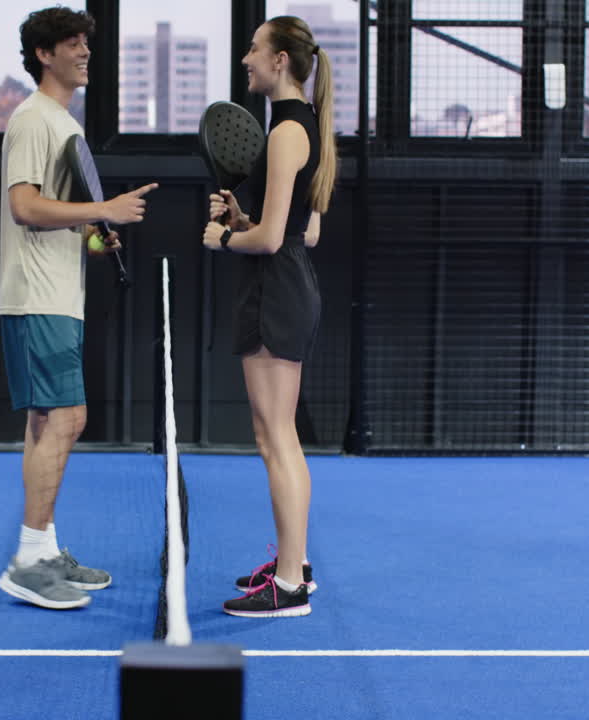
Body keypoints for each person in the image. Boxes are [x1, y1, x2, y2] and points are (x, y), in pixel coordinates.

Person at [0, 6, 158, 610]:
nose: (85, 52)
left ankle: (43, 548)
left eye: (86, 42)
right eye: (72, 43)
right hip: (37, 297)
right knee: (66, 419)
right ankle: (28, 560)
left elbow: (54, 216)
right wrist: (104, 209)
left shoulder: (62, 122)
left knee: (48, 422)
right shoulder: (33, 119)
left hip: (58, 295)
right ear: (44, 54)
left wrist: (92, 233)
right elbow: (24, 207)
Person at [202, 15, 336, 618]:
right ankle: (295, 566)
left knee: (276, 438)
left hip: (275, 291)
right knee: (278, 435)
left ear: (280, 60)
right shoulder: (304, 125)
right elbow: (302, 231)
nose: (246, 59)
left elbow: (273, 239)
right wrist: (242, 218)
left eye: (254, 49)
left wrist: (224, 238)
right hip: (286, 286)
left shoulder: (285, 132)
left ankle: (288, 585)